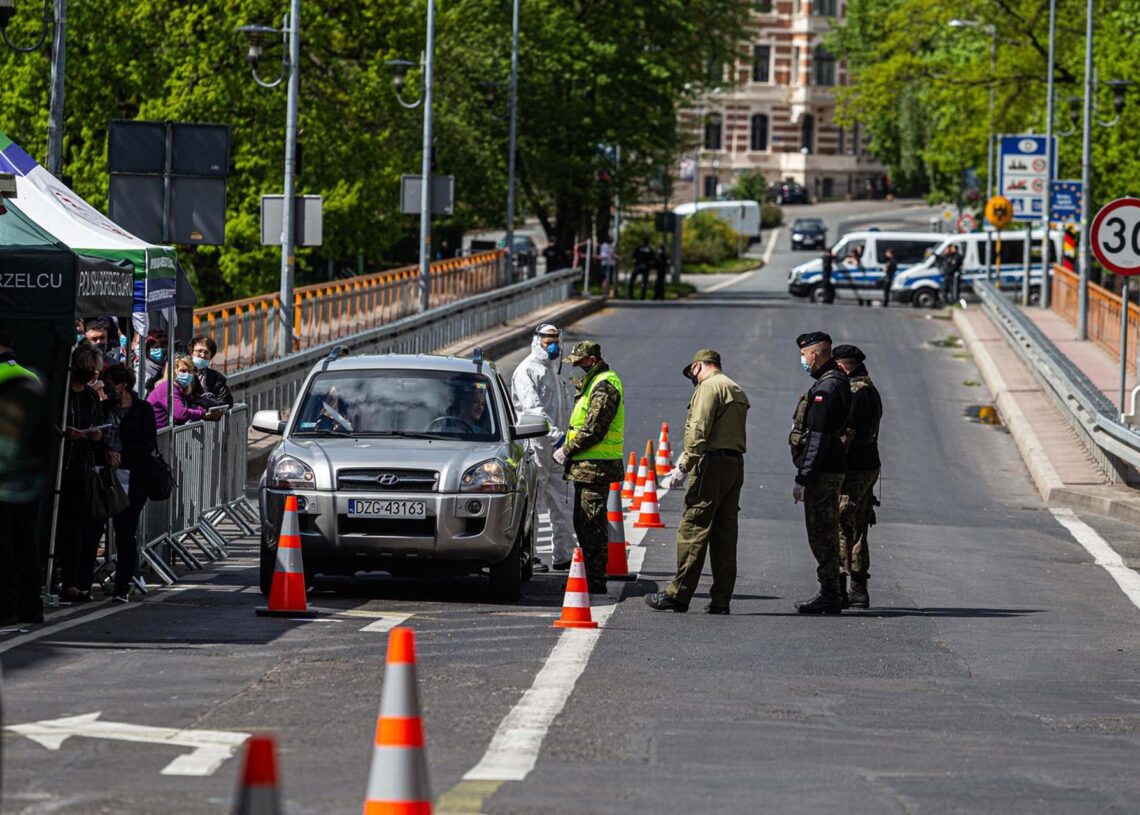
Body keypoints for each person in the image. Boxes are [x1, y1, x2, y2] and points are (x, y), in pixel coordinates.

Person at [645, 349, 749, 614]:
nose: (693, 377)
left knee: (694, 528)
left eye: (693, 372)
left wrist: (683, 465)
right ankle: (721, 599)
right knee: (725, 534)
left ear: (699, 366)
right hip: (734, 464)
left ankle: (678, 595)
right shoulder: (735, 388)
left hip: (711, 465)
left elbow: (699, 429)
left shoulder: (708, 387)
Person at [553, 341, 624, 593]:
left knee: (592, 523)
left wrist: (566, 450)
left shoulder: (605, 385)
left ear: (592, 361)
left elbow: (594, 428)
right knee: (583, 521)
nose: (576, 368)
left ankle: (595, 580)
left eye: (580, 363)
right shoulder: (594, 382)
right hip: (587, 466)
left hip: (597, 466)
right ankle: (589, 577)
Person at [789, 331, 850, 614]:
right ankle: (833, 592)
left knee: (822, 533)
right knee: (825, 531)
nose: (802, 360)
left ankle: (830, 594)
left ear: (814, 355)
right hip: (830, 469)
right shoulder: (836, 381)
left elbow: (818, 438)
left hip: (823, 473)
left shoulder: (826, 389)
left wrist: (804, 477)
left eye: (804, 355)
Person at [510, 324, 576, 573]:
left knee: (562, 500)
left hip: (557, 447)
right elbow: (533, 410)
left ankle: (563, 554)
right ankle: (530, 555)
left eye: (556, 340)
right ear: (536, 341)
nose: (553, 345)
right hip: (534, 443)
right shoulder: (527, 371)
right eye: (548, 339)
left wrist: (564, 438)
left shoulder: (553, 372)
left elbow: (562, 410)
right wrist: (558, 437)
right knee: (533, 502)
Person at [0, 330, 50, 623]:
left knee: (3, 542)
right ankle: (31, 607)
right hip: (29, 474)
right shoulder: (31, 376)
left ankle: (5, 609)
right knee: (24, 540)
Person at [101, 364, 158, 603]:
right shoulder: (103, 408)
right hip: (104, 475)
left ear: (122, 385)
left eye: (108, 385)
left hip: (134, 477)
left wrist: (123, 456)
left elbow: (148, 443)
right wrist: (105, 452)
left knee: (125, 531)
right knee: (94, 527)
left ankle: (122, 585)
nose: (105, 389)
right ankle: (81, 583)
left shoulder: (143, 409)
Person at [56, 343, 108, 603]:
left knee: (78, 528)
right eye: (87, 369)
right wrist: (65, 431)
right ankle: (56, 577)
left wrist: (96, 436)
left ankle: (73, 581)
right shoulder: (61, 393)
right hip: (59, 469)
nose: (91, 374)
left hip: (82, 469)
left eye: (94, 370)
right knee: (59, 526)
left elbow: (97, 424)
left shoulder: (89, 395)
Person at [833, 344, 882, 609]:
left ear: (841, 365)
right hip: (867, 466)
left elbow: (846, 435)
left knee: (842, 524)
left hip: (853, 469)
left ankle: (841, 586)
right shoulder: (868, 387)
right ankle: (858, 588)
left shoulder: (856, 392)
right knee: (859, 523)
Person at [148, 355, 222, 429]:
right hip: (157, 434)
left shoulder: (180, 389)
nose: (187, 374)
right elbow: (180, 414)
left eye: (190, 371)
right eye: (183, 371)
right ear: (174, 371)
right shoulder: (167, 387)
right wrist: (202, 414)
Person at [188, 334, 234, 408]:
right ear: (191, 352)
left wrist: (209, 403)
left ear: (211, 356)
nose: (202, 355)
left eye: (206, 352)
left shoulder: (217, 378)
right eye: (199, 351)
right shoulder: (182, 373)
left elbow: (227, 401)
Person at [142, 328, 168, 394]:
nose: (159, 350)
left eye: (162, 347)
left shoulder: (169, 367)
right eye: (155, 347)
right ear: (148, 349)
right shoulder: (140, 368)